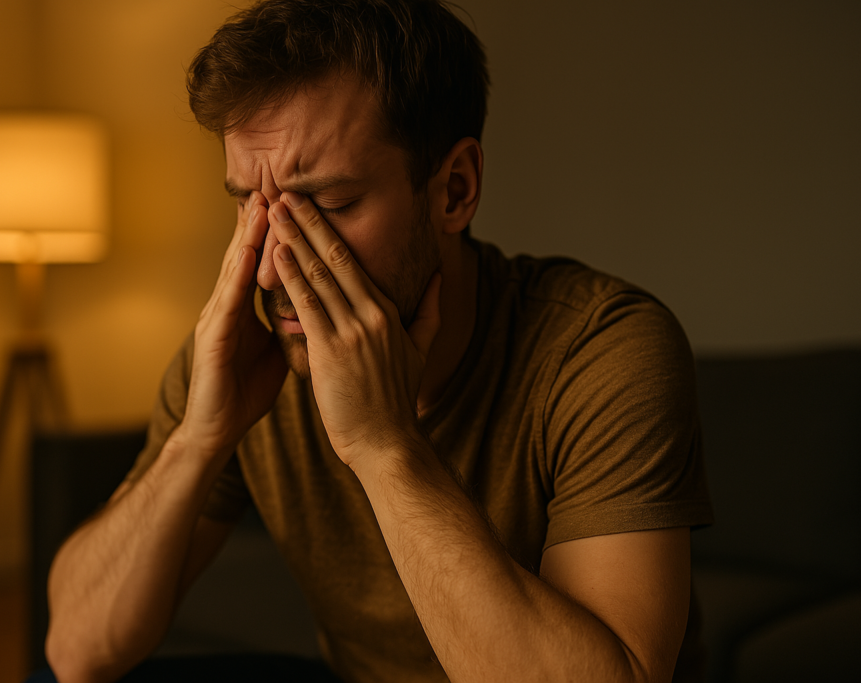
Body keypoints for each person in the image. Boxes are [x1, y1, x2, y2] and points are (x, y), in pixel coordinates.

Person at [43, 1, 714, 682]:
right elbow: (75, 650)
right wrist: (197, 441)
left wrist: (384, 444)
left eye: (327, 206)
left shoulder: (602, 348)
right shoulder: (247, 355)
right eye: (249, 204)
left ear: (455, 190)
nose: (273, 266)